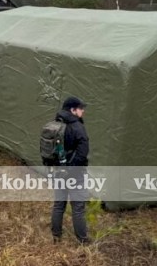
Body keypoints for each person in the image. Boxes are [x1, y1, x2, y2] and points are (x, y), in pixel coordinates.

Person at [49, 96, 90, 245]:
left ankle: (56, 236)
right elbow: (83, 153)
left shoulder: (55, 124)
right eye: (80, 108)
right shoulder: (78, 127)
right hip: (75, 173)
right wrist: (72, 170)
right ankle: (83, 241)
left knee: (59, 204)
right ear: (73, 110)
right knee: (78, 208)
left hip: (58, 171)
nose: (83, 111)